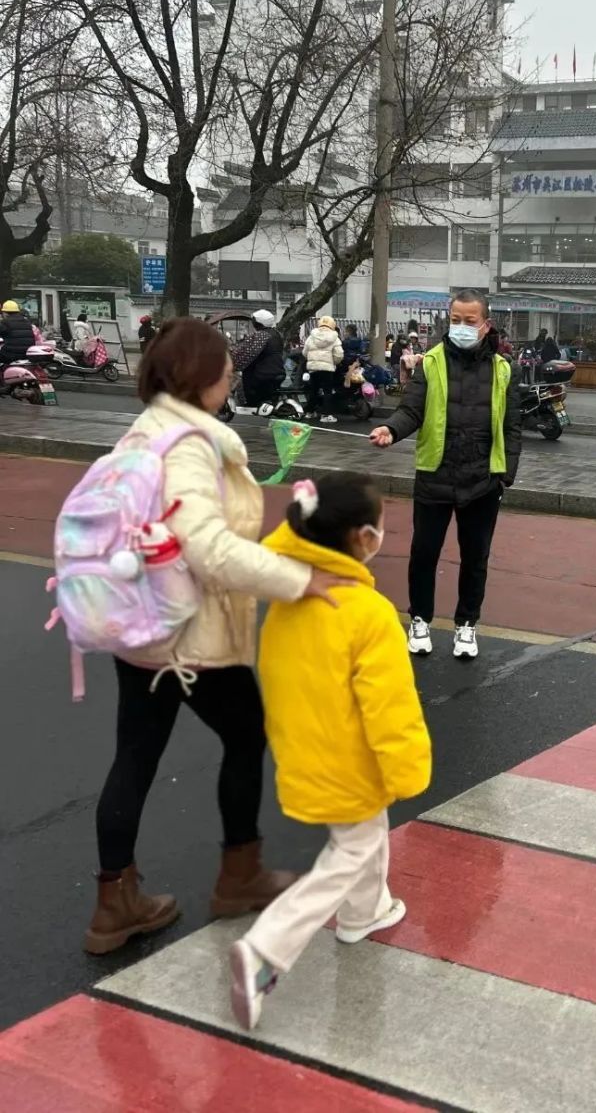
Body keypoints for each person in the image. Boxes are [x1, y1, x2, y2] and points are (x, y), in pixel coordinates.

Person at [84, 318, 344, 956]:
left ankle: (114, 904)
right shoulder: (189, 445)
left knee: (136, 757)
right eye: (225, 366)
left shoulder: (141, 433)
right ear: (199, 377)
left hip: (139, 623)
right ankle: (239, 875)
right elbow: (207, 547)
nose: (232, 374)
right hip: (189, 634)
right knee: (246, 733)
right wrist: (296, 579)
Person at [227, 473, 431, 1030]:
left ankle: (365, 913)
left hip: (303, 750)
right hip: (352, 759)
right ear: (365, 539)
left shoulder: (289, 599)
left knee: (361, 837)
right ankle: (266, 952)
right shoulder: (368, 613)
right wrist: (409, 767)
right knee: (351, 851)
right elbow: (391, 708)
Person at [370, 290, 521, 661]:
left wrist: (505, 475)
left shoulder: (504, 369)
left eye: (470, 321)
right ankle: (419, 620)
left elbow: (513, 427)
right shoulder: (431, 363)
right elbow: (412, 410)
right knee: (424, 553)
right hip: (435, 474)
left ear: (486, 325)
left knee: (475, 557)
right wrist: (391, 429)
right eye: (456, 320)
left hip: (483, 479)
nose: (462, 327)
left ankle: (466, 625)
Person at [232, 310, 285, 408]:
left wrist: (234, 362)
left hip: (262, 374)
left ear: (258, 322)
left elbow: (246, 354)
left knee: (244, 381)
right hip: (278, 370)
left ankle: (249, 404)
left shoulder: (260, 336)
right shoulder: (277, 334)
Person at [302, 316, 344, 423]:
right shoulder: (335, 337)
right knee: (327, 391)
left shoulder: (311, 337)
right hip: (327, 369)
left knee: (313, 390)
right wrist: (333, 362)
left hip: (313, 368)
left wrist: (312, 360)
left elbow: (304, 352)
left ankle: (310, 412)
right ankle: (326, 415)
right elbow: (339, 355)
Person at [0, 299, 34, 365]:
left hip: (11, 354)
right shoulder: (27, 322)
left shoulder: (5, 322)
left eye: (2, 312)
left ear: (5, 313)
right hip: (27, 354)